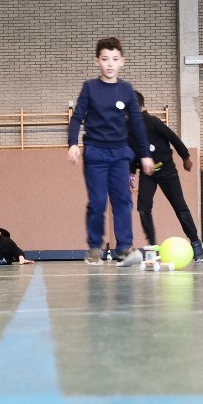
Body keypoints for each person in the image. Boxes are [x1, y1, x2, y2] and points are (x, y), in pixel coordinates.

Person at [67, 37, 154, 266]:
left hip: (119, 155)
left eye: (114, 59)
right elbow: (77, 117)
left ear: (122, 61)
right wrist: (73, 143)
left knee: (123, 201)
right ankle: (95, 248)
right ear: (97, 61)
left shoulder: (126, 90)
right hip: (95, 154)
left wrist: (145, 154)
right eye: (105, 59)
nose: (110, 64)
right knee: (97, 202)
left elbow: (137, 122)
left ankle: (124, 248)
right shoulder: (90, 88)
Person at [130, 91, 203, 263]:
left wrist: (185, 157)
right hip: (147, 174)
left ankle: (195, 241)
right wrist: (131, 174)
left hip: (166, 171)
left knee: (180, 207)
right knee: (143, 208)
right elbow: (133, 153)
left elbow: (173, 138)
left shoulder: (153, 122)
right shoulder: (128, 129)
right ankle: (152, 245)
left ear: (139, 105)